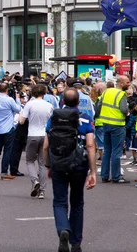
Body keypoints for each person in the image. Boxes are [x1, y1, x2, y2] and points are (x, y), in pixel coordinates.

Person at [43, 88, 97, 252]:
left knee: (59, 201)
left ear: (63, 101)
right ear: (79, 102)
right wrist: (93, 171)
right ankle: (76, 243)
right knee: (77, 202)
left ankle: (63, 229)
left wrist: (48, 165)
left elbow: (46, 146)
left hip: (59, 163)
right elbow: (90, 145)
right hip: (79, 165)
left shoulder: (54, 119)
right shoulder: (86, 119)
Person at [19, 84, 53, 199]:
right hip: (45, 136)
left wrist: (20, 114)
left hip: (32, 134)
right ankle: (42, 190)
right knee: (42, 163)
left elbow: (22, 121)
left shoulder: (29, 105)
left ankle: (35, 181)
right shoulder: (49, 106)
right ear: (44, 93)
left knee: (29, 160)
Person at [95, 75, 130, 183]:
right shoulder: (121, 94)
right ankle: (116, 176)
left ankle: (105, 176)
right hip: (118, 125)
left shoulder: (106, 92)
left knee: (107, 150)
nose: (128, 84)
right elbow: (124, 109)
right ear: (121, 83)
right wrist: (127, 113)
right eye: (127, 82)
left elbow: (98, 106)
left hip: (105, 124)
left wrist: (98, 116)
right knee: (116, 151)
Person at [0, 83, 21, 180]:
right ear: (7, 90)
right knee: (7, 151)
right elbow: (18, 109)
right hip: (8, 128)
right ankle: (4, 172)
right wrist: (17, 99)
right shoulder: (9, 100)